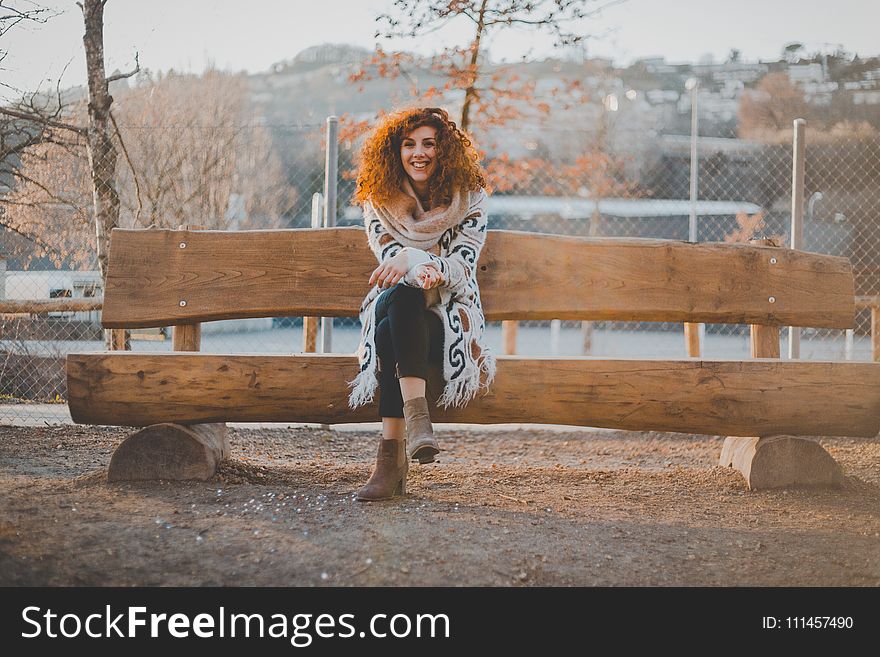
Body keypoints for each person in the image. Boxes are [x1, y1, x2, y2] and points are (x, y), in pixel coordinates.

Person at [347, 106, 497, 501]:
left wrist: (417, 259)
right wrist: (418, 265)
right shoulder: (378, 201)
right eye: (409, 144)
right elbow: (391, 264)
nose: (419, 153)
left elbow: (462, 269)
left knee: (389, 332)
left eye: (429, 144)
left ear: (443, 150)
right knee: (403, 296)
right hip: (395, 302)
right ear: (394, 152)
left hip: (445, 319)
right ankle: (418, 423)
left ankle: (389, 460)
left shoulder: (471, 200)